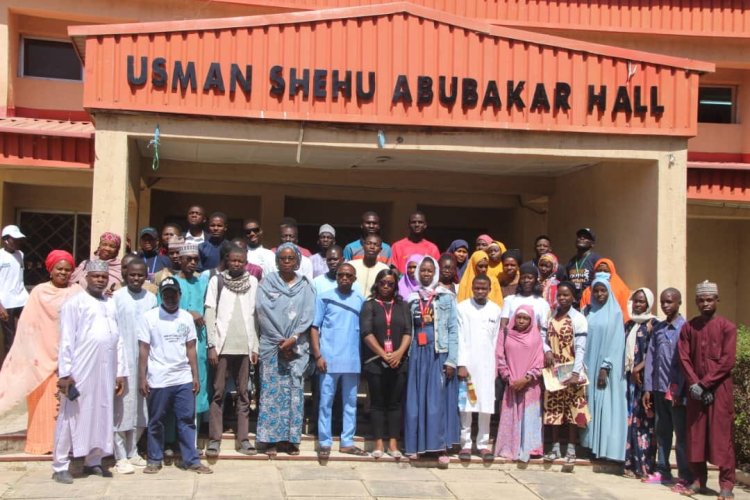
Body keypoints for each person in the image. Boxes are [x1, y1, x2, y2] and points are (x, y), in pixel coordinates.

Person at [51, 260, 128, 484]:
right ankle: (60, 465)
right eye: (95, 276)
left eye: (103, 277)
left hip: (106, 370)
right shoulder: (74, 303)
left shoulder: (111, 304)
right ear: (86, 277)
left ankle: (93, 461)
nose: (100, 280)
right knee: (71, 416)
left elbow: (119, 339)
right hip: (80, 369)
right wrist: (65, 374)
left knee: (101, 413)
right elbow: (66, 339)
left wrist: (120, 372)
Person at [0, 250, 80, 454]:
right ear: (50, 270)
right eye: (59, 269)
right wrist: (35, 352)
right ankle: (41, 444)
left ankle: (67, 445)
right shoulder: (38, 292)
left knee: (68, 405)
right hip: (41, 356)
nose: (63, 273)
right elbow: (28, 325)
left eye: (67, 270)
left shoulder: (77, 292)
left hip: (70, 357)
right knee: (44, 403)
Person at [138, 277, 212, 475]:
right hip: (158, 378)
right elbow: (144, 349)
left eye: (174, 293)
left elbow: (191, 348)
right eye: (166, 294)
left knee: (187, 420)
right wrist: (142, 378)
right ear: (161, 295)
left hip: (182, 378)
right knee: (156, 420)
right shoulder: (150, 317)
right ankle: (154, 459)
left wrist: (195, 376)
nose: (170, 297)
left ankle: (192, 460)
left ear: (180, 295)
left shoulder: (186, 318)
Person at [678, 281, 736, 499]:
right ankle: (698, 480)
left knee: (723, 437)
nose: (705, 303)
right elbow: (683, 357)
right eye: (701, 300)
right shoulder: (689, 327)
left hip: (720, 390)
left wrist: (705, 384)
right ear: (696, 302)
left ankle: (727, 485)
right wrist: (695, 384)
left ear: (717, 300)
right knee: (696, 435)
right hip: (695, 391)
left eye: (709, 299)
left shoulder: (727, 327)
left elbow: (727, 361)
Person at [256, 243, 315, 456]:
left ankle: (290, 440)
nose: (287, 262)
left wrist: (294, 339)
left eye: (291, 258)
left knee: (294, 393)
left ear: (298, 261)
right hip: (272, 346)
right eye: (283, 258)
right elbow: (262, 312)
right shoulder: (266, 284)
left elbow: (308, 315)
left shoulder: (306, 286)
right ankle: (269, 439)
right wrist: (281, 341)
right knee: (272, 393)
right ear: (277, 261)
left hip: (297, 347)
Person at [204, 245, 259, 458]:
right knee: (218, 393)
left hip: (245, 347)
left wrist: (254, 346)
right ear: (226, 260)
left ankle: (243, 439)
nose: (236, 264)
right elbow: (210, 312)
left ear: (245, 262)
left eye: (240, 261)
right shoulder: (216, 281)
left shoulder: (253, 282)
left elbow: (255, 315)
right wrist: (211, 345)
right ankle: (215, 439)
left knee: (244, 394)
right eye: (233, 260)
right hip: (222, 345)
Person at [404, 256, 459, 466]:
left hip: (438, 352)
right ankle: (416, 446)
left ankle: (439, 448)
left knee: (437, 401)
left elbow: (453, 329)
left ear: (434, 272)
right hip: (417, 353)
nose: (426, 274)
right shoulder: (410, 298)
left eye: (429, 271)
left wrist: (452, 360)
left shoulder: (446, 297)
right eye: (423, 271)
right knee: (416, 400)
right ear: (418, 273)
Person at [310, 263, 366, 459]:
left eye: (348, 276)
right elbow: (314, 327)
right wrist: (317, 355)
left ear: (354, 279)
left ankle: (347, 442)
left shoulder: (360, 299)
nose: (344, 278)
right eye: (341, 275)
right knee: (326, 402)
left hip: (352, 360)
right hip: (328, 359)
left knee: (350, 403)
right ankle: (324, 442)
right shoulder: (324, 296)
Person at [642, 288, 692, 489]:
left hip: (678, 392)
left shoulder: (685, 329)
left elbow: (687, 363)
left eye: (669, 302)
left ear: (679, 303)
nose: (665, 306)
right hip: (659, 389)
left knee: (681, 436)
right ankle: (663, 471)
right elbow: (651, 359)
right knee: (662, 432)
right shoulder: (659, 329)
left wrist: (680, 389)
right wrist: (648, 388)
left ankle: (685, 476)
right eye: (663, 302)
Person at [360, 269, 411, 459]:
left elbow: (408, 331)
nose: (386, 287)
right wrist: (383, 354)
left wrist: (398, 353)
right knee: (377, 403)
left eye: (390, 283)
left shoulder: (402, 305)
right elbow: (366, 332)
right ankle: (378, 443)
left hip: (398, 361)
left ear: (395, 285)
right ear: (377, 284)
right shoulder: (369, 305)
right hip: (375, 361)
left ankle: (393, 443)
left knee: (395, 403)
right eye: (383, 283)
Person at [112, 258, 157, 474]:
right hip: (123, 360)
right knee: (122, 408)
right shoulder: (117, 298)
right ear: (125, 275)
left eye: (140, 275)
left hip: (145, 361)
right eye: (132, 275)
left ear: (146, 275)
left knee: (142, 409)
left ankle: (133, 451)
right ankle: (119, 456)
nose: (136, 278)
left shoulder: (151, 299)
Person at [580, 276, 627, 462]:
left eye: (603, 290)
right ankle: (591, 446)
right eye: (596, 291)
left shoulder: (615, 313)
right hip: (588, 365)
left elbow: (617, 343)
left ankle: (606, 449)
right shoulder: (588, 312)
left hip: (606, 368)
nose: (600, 294)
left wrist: (605, 367)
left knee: (604, 404)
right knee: (589, 404)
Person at [542, 281, 590, 464]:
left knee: (573, 409)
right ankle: (554, 448)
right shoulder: (551, 315)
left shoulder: (578, 319)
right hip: (554, 370)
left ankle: (570, 448)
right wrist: (546, 350)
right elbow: (542, 337)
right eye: (559, 295)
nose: (562, 298)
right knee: (554, 408)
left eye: (566, 295)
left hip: (571, 370)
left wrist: (576, 373)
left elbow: (580, 347)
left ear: (573, 298)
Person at [456, 275, 502, 462]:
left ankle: (483, 444)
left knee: (486, 404)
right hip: (467, 363)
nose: (480, 291)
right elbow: (459, 337)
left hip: (487, 364)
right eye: (477, 288)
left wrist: (497, 364)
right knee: (466, 404)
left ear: (490, 289)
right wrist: (461, 363)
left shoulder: (496, 310)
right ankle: (465, 444)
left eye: (484, 288)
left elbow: (496, 339)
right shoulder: (462, 308)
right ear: (472, 288)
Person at [495, 305, 544, 462]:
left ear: (531, 320)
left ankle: (531, 448)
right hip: (511, 383)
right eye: (519, 317)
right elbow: (499, 355)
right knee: (511, 415)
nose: (521, 321)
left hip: (530, 384)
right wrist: (508, 377)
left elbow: (539, 360)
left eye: (525, 318)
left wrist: (527, 379)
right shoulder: (506, 333)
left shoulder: (536, 336)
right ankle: (509, 447)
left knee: (529, 415)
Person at [169, 243, 210, 420]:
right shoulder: (171, 283)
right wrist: (188, 313)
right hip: (175, 342)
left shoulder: (202, 282)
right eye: (189, 259)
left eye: (196, 259)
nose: (193, 262)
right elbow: (163, 311)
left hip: (199, 341)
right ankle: (171, 439)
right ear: (180, 259)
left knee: (198, 381)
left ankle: (193, 435)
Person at [622, 288, 658, 479]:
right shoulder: (629, 325)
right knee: (632, 421)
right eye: (635, 301)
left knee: (646, 423)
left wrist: (639, 368)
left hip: (647, 380)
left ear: (648, 303)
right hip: (630, 381)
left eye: (642, 302)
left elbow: (655, 352)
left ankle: (646, 467)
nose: (637, 305)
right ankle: (631, 464)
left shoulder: (654, 324)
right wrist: (632, 370)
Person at [500, 262, 551, 338]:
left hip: (533, 343)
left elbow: (544, 328)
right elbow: (503, 325)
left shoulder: (542, 303)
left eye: (530, 278)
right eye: (523, 277)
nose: (526, 280)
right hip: (511, 342)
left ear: (535, 280)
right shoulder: (509, 300)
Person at [0, 225, 28, 361]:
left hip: (22, 301)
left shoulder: (20, 254)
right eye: (14, 239)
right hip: (6, 303)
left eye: (19, 239)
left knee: (23, 336)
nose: (18, 242)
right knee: (10, 339)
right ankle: (7, 371)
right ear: (5, 240)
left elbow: (19, 278)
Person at [564, 228, 601, 308]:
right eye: (579, 236)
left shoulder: (596, 259)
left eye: (586, 237)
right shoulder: (571, 262)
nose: (581, 238)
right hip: (573, 305)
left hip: (590, 304)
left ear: (592, 244)